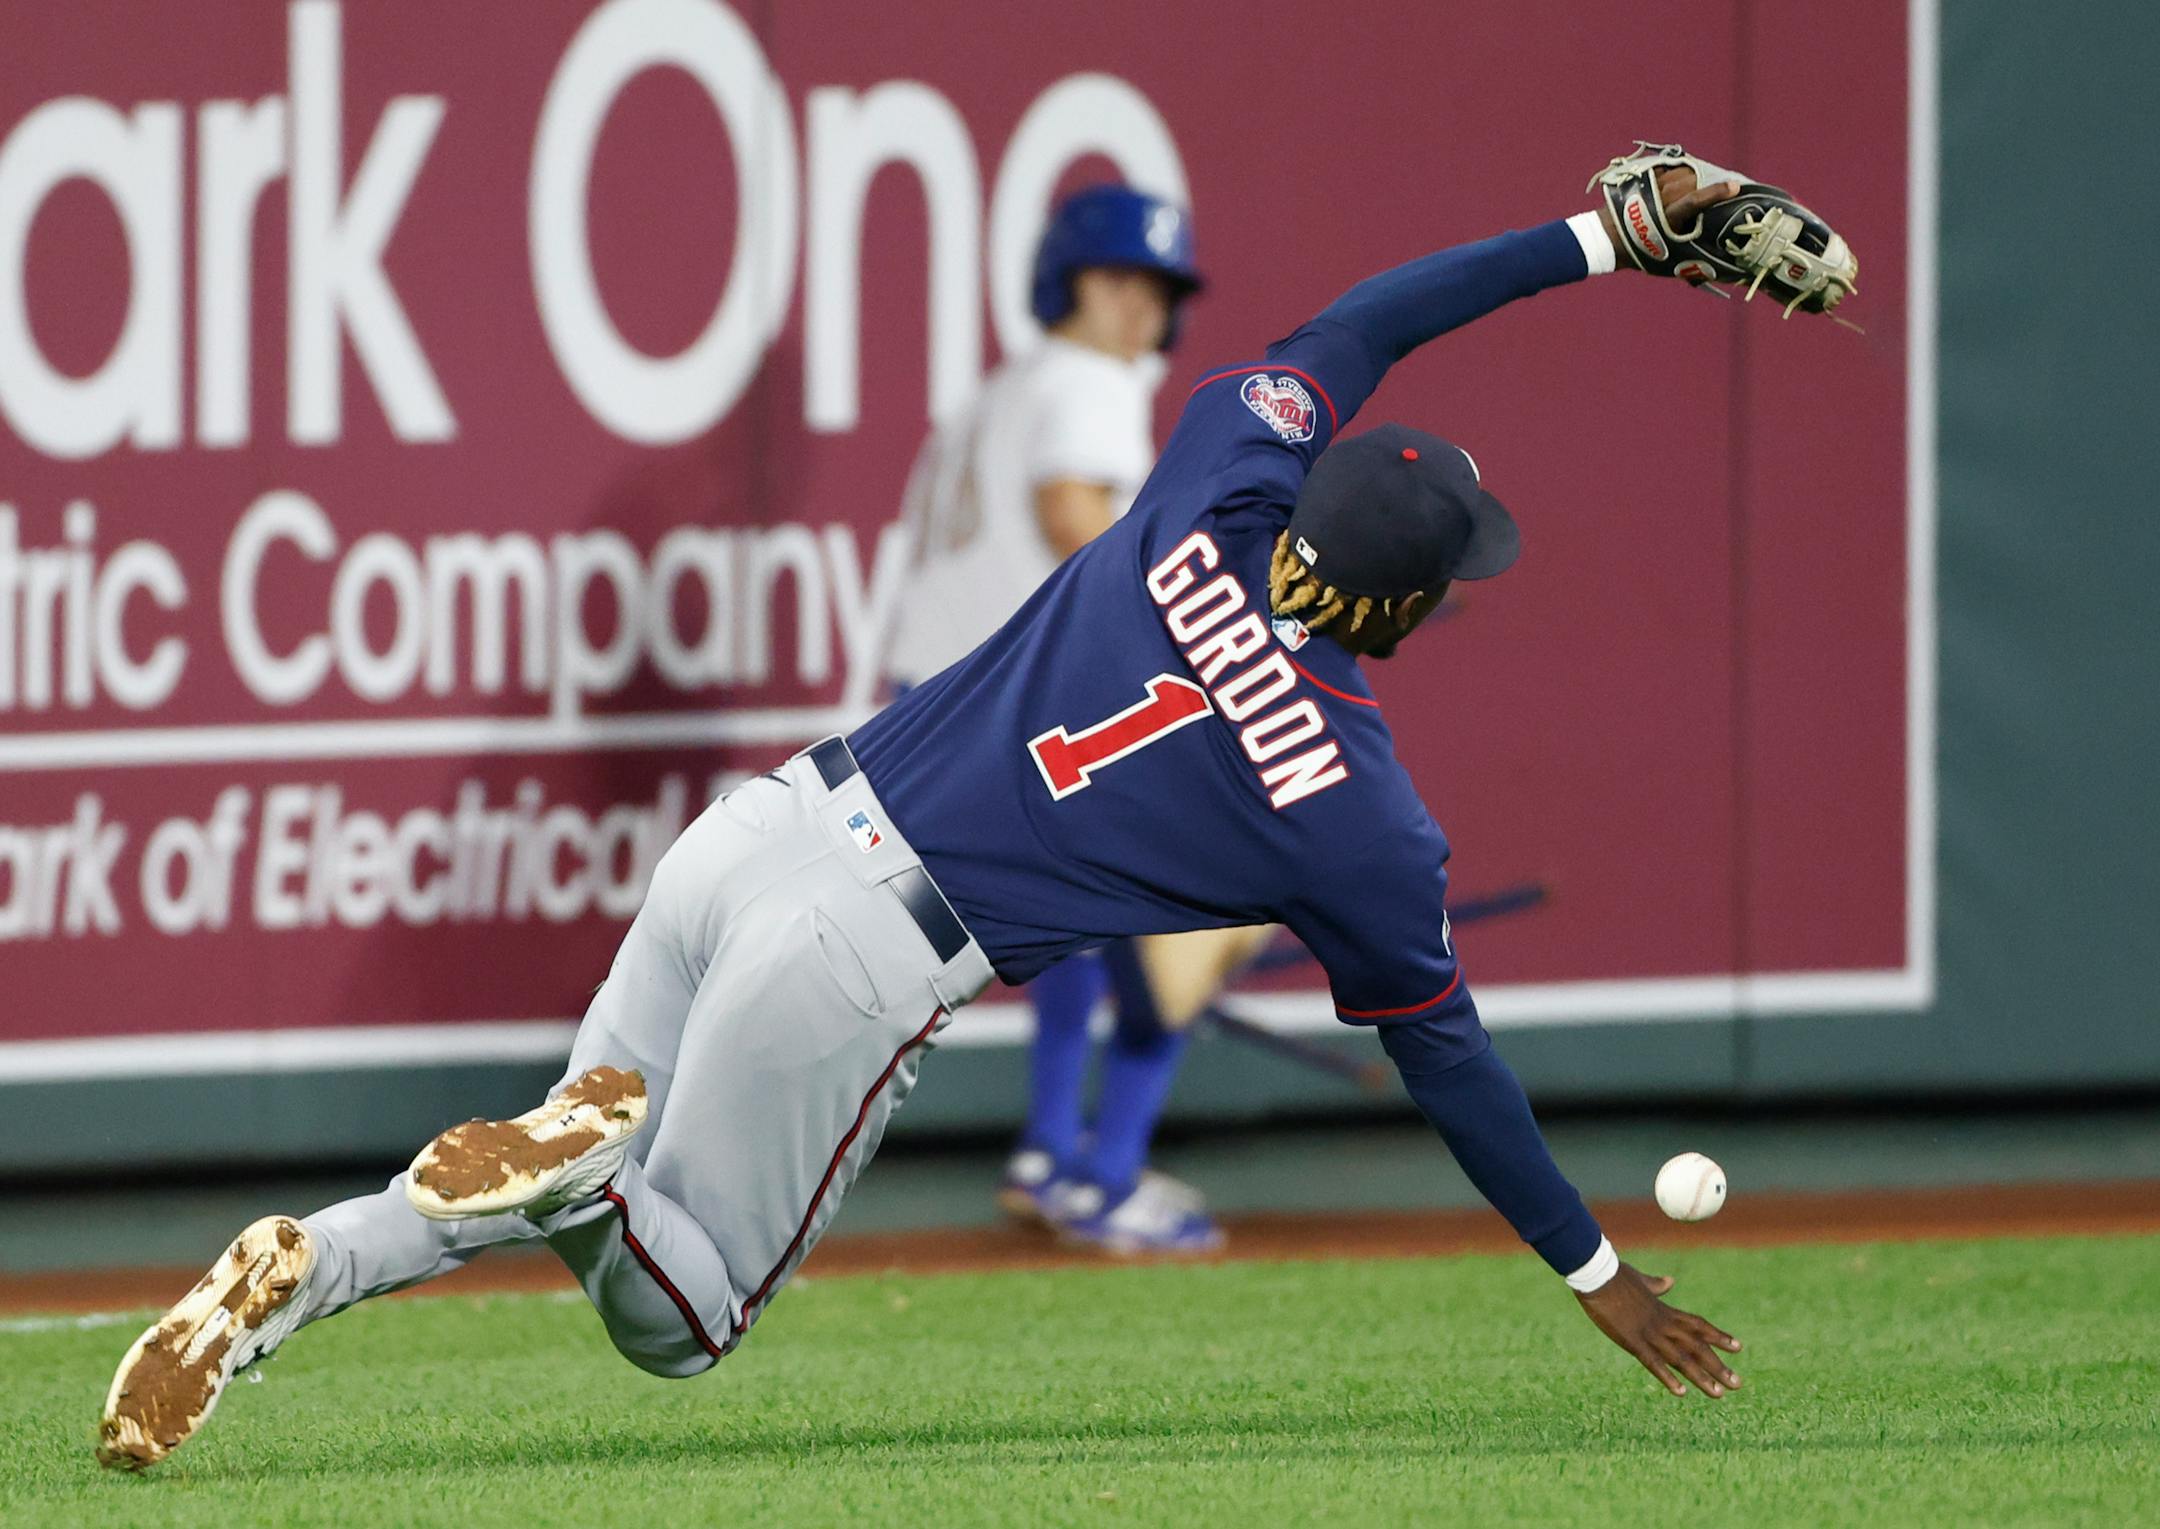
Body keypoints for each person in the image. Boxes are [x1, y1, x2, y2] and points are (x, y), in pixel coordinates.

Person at [98, 161, 1755, 1472]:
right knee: (679, 1319)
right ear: (1402, 614)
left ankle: (275, 1291)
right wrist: (1592, 1268)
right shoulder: (1356, 817)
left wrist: (1600, 235)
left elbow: (1372, 317)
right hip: (863, 955)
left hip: (765, 826)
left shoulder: (1211, 467)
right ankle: (581, 1181)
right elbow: (1447, 1052)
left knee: (566, 1131)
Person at [884, 182, 1261, 1253]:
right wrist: (1208, 611)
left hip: (929, 707)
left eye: (1156, 283)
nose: (1139, 303)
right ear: (1072, 282)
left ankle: (1055, 1153)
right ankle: (1102, 1176)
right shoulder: (1090, 379)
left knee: (1075, 930)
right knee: (1234, 886)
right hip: (1014, 707)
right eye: (1118, 277)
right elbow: (1071, 511)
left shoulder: (995, 393)